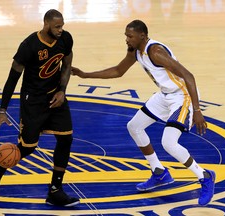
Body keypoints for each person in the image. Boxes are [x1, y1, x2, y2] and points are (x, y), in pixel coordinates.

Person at [72, 20, 215, 206]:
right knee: (134, 126)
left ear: (142, 36)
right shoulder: (136, 51)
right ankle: (159, 172)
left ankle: (205, 176)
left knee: (169, 143)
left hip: (182, 96)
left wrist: (197, 110)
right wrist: (85, 74)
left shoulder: (155, 52)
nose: (126, 39)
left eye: (129, 36)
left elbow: (189, 76)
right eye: (125, 36)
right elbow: (118, 70)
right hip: (165, 95)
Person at [0, 9, 80, 207]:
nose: (61, 30)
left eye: (62, 25)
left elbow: (67, 64)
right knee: (28, 148)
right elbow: (12, 79)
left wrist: (62, 90)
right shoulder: (29, 46)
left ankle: (55, 190)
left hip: (55, 97)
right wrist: (2, 110)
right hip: (33, 101)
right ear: (46, 24)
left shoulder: (66, 39)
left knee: (66, 139)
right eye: (57, 26)